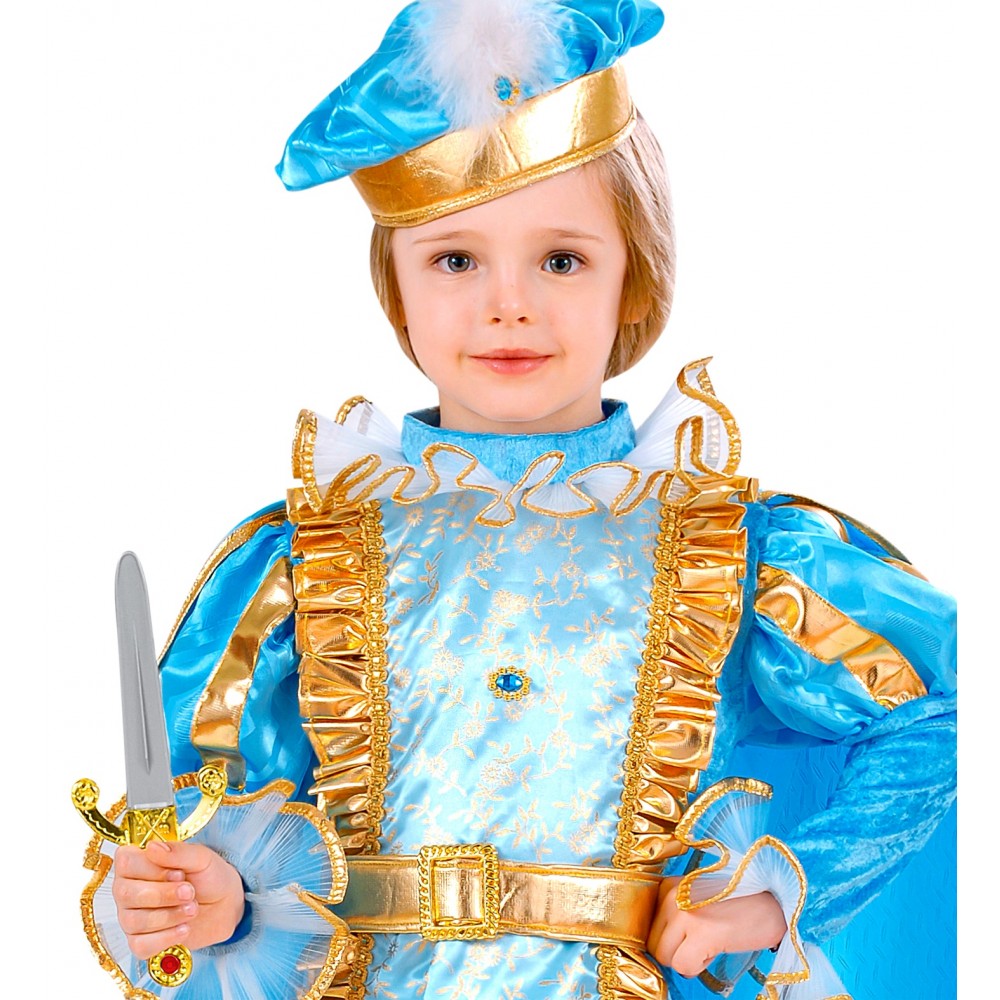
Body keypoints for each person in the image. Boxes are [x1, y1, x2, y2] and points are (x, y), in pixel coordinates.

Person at [79, 3, 957, 999]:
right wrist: (212, 900)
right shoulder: (301, 561)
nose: (509, 304)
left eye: (561, 259)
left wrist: (778, 897)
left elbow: (943, 709)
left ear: (634, 279)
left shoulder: (732, 549)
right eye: (455, 259)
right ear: (397, 285)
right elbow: (204, 826)